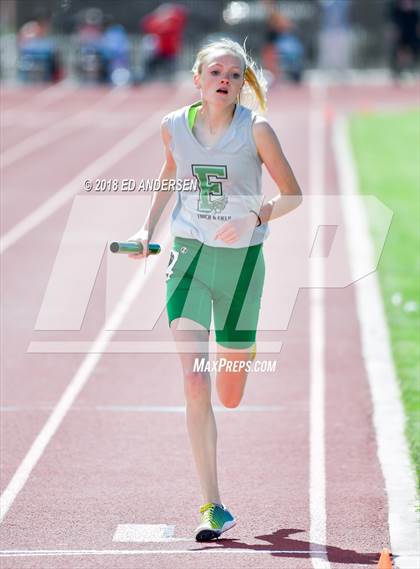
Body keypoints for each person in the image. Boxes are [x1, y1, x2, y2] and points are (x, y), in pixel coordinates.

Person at [126, 38, 302, 541]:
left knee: (230, 391)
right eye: (216, 71)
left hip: (242, 266)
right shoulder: (173, 126)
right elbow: (169, 173)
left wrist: (253, 216)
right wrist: (146, 230)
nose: (224, 78)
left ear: (242, 83)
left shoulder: (257, 130)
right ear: (198, 78)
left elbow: (293, 195)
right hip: (189, 259)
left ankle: (242, 351)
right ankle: (213, 505)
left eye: (234, 72)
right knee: (195, 382)